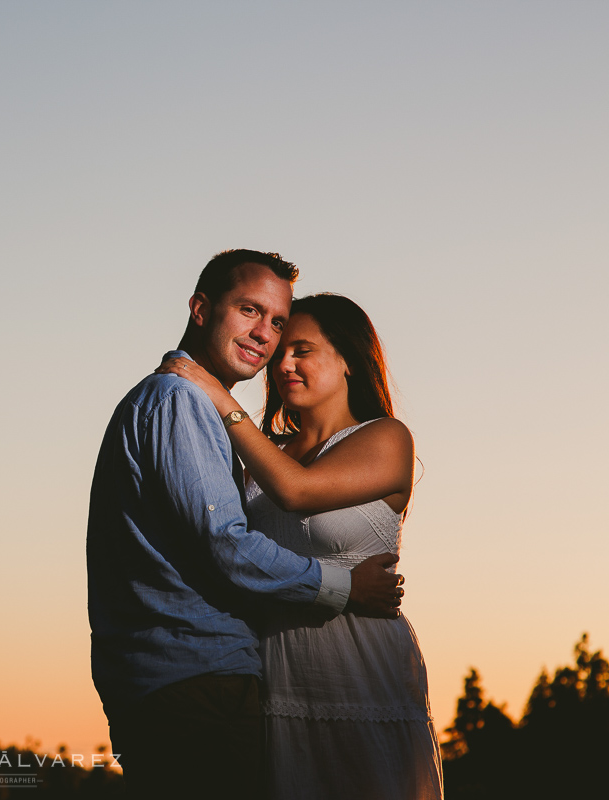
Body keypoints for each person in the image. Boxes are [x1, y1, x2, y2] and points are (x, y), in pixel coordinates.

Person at [86, 250, 403, 798]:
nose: (269, 341)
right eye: (250, 310)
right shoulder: (181, 400)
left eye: (278, 324)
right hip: (198, 674)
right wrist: (345, 587)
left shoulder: (207, 410)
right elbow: (225, 544)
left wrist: (222, 400)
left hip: (256, 674)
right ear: (201, 309)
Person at [156, 292, 443, 799]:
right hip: (274, 668)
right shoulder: (263, 451)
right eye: (280, 351)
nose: (282, 363)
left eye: (302, 350)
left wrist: (218, 396)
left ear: (349, 360)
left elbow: (297, 491)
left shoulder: (387, 438)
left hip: (358, 667)